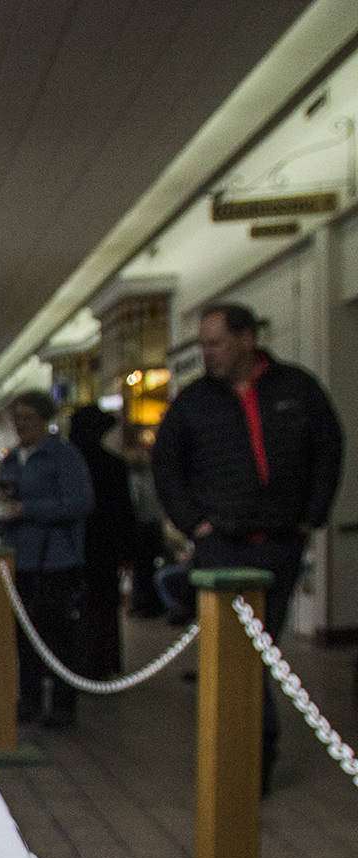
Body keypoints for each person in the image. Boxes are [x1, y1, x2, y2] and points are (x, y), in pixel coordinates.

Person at [152, 302, 345, 789]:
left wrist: (311, 515)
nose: (207, 353)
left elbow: (328, 447)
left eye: (215, 343)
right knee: (240, 650)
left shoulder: (296, 389)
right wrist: (194, 524)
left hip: (281, 543)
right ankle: (249, 760)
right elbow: (166, 465)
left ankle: (248, 755)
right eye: (203, 344)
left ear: (246, 340)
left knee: (262, 649)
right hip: (222, 546)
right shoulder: (194, 402)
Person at [0, 390, 93, 728]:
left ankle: (63, 705)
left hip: (55, 560)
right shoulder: (11, 460)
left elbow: (80, 503)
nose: (22, 426)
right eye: (18, 420)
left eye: (29, 419)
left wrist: (29, 510)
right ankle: (29, 700)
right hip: (19, 561)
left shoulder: (63, 456)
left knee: (58, 637)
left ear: (44, 421)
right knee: (23, 636)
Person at [69, 404, 135, 679]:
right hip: (106, 548)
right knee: (104, 607)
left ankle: (80, 662)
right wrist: (127, 552)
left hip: (77, 545)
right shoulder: (114, 464)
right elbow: (125, 513)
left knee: (79, 607)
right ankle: (103, 663)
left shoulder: (71, 463)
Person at [124, 448, 168, 618]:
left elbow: (134, 504)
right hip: (154, 527)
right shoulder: (152, 478)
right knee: (150, 568)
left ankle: (143, 605)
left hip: (141, 528)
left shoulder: (135, 480)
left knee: (141, 570)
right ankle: (153, 604)